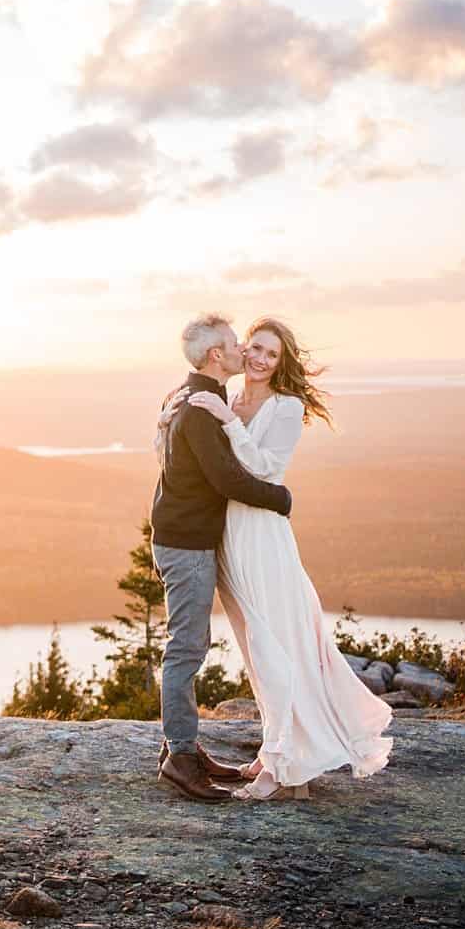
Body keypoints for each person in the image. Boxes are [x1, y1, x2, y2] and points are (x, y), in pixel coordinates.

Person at [181, 317, 393, 800]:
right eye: (253, 347)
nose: (257, 358)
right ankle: (272, 749)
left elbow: (266, 469)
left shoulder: (284, 406)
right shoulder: (229, 396)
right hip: (228, 533)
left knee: (276, 643)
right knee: (255, 648)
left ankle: (285, 766)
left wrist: (228, 421)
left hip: (260, 532)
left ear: (282, 363)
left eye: (270, 354)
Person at [150, 313, 295, 803]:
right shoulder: (198, 410)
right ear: (217, 355)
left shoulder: (185, 398)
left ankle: (183, 747)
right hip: (186, 543)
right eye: (236, 345)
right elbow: (228, 480)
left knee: (189, 644)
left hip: (183, 537)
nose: (242, 351)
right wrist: (281, 499)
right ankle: (181, 759)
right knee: (187, 649)